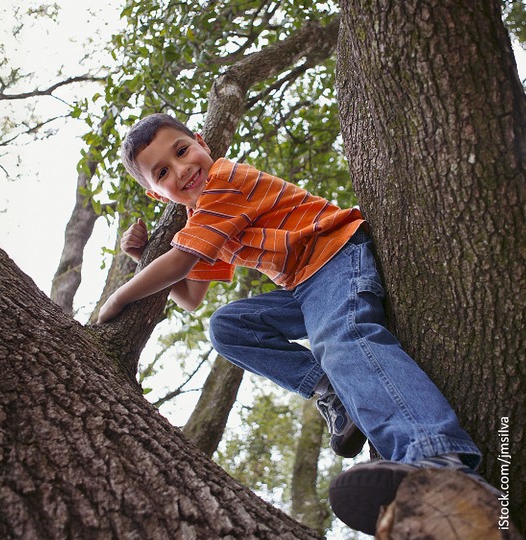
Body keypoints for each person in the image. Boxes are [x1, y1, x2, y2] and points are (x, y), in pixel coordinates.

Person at [97, 113, 499, 535]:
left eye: (182, 151)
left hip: (333, 254)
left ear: (201, 141)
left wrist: (121, 295)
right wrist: (142, 259)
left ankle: (437, 458)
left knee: (341, 338)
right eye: (163, 172)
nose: (182, 169)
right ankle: (332, 392)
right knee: (228, 327)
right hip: (303, 285)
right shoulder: (201, 218)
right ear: (156, 194)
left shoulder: (223, 180)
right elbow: (191, 296)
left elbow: (180, 262)